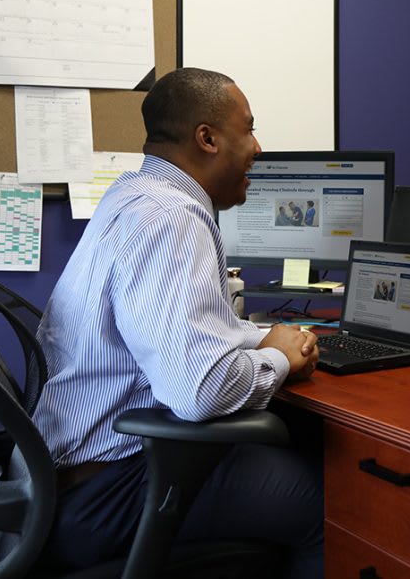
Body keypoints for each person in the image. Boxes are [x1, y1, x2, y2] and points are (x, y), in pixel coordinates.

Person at [32, 67, 324, 576]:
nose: (257, 147)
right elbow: (199, 390)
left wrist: (266, 337)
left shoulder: (135, 196)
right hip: (110, 492)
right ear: (207, 138)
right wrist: (278, 358)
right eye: (249, 128)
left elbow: (172, 328)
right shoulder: (171, 220)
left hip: (67, 483)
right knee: (334, 507)